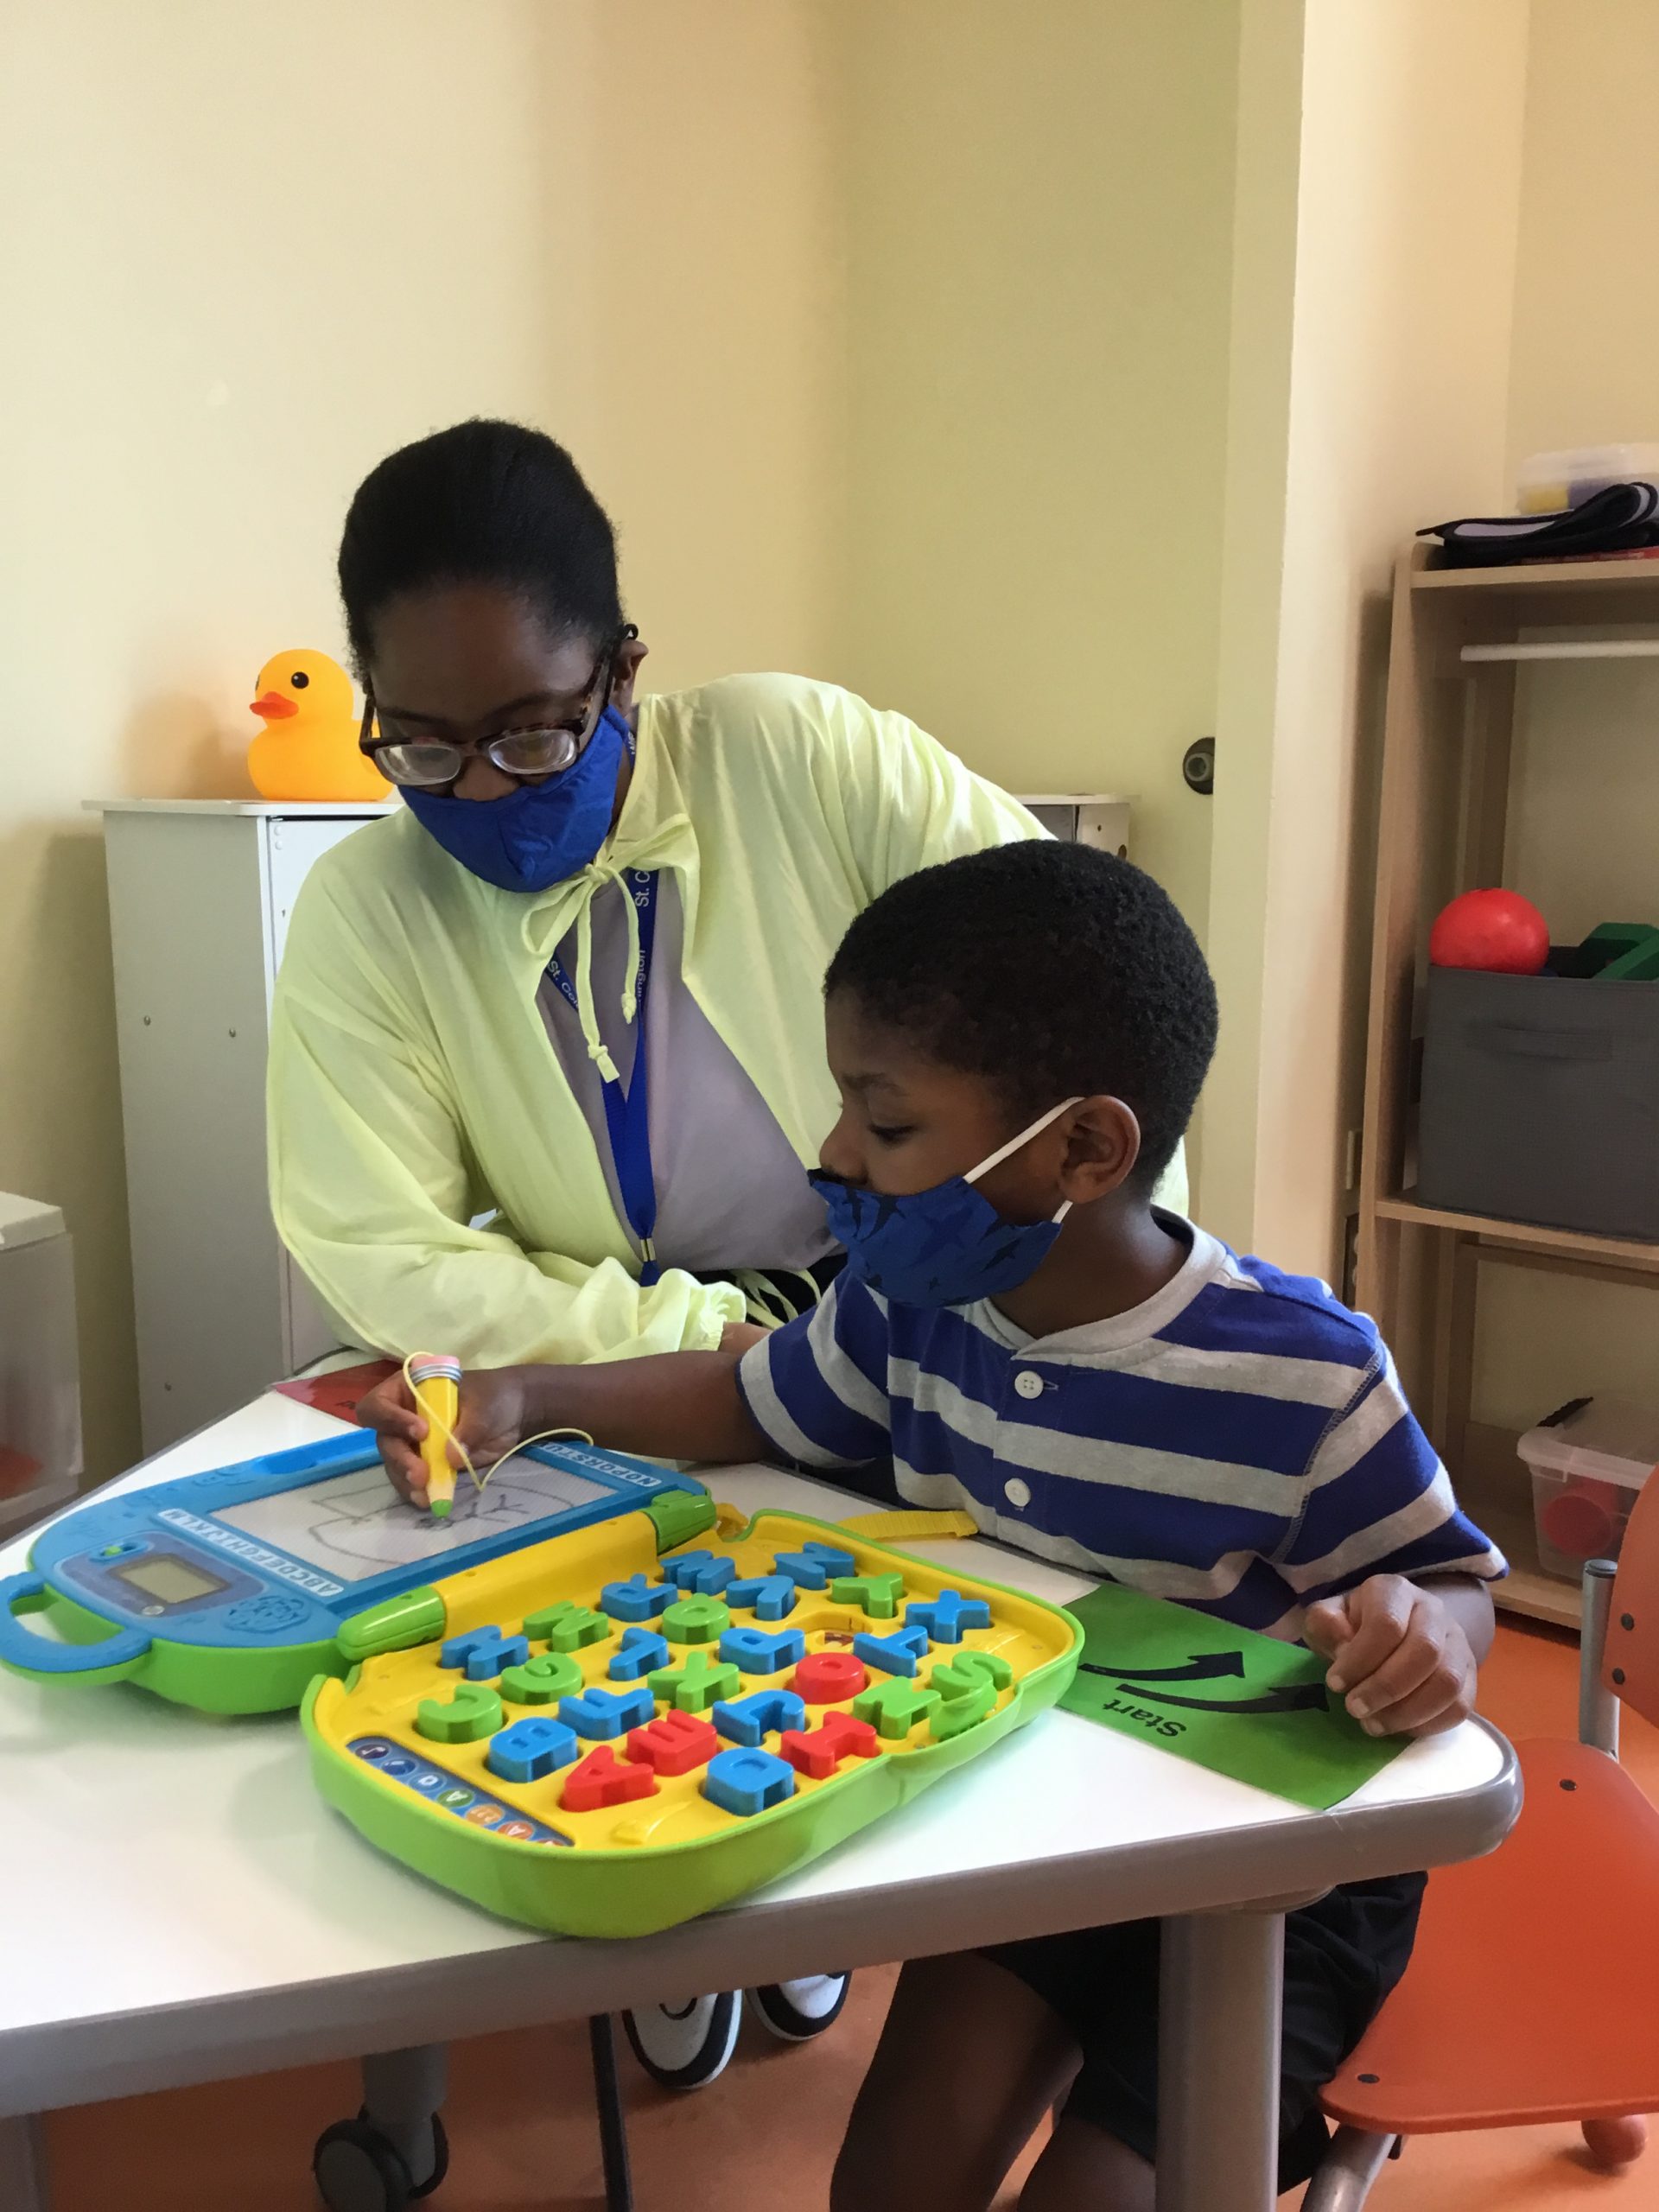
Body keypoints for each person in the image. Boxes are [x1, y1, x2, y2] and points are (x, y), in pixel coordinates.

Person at [359, 839, 1504, 2209]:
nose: (833, 1153)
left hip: (1276, 1890)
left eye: (885, 1124)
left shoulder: (1299, 1373)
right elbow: (748, 1396)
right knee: (887, 2190)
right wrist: (530, 1391)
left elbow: (1446, 1583)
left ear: (1084, 1147)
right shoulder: (908, 1310)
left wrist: (1429, 1634)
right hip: (1049, 1828)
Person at [270, 418, 1192, 1370]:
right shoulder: (369, 904)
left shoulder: (802, 756)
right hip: (627, 1367)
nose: (481, 787)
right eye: (423, 746)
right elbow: (382, 1253)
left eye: (532, 736)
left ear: (623, 677)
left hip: (928, 1326)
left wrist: (1104, 1329)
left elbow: (1091, 1002)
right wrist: (716, 1347)